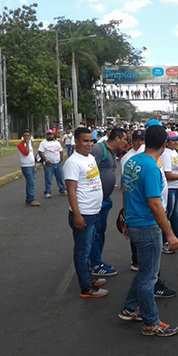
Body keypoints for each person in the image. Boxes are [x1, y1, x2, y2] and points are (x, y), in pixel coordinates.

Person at [119, 125, 178, 336]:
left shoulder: (133, 161)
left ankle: (130, 307)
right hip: (147, 226)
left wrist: (126, 218)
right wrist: (170, 234)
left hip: (135, 222)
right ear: (164, 144)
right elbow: (155, 204)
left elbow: (126, 191)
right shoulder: (152, 168)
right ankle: (151, 322)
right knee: (149, 277)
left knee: (145, 271)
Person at [64, 127, 107, 298]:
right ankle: (86, 287)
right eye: (85, 141)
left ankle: (88, 277)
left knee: (88, 249)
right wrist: (77, 215)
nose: (89, 144)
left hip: (94, 211)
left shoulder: (89, 158)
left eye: (91, 141)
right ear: (76, 142)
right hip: (83, 214)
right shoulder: (73, 162)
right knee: (82, 251)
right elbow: (71, 191)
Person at [89, 127, 128, 277]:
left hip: (104, 200)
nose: (126, 142)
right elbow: (88, 172)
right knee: (96, 233)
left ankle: (95, 261)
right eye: (124, 139)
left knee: (99, 232)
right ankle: (95, 264)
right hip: (96, 202)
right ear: (117, 139)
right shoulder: (100, 150)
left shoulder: (112, 152)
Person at [37, 130, 66, 198]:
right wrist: (45, 160)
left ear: (53, 135)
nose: (50, 136)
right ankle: (48, 192)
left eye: (51, 134)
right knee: (48, 179)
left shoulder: (57, 143)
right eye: (48, 134)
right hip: (49, 164)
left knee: (60, 178)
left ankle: (62, 190)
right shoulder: (43, 143)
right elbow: (40, 152)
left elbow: (61, 151)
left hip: (57, 163)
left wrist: (61, 159)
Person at [18, 130, 39, 206]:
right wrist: (26, 143)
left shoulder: (29, 144)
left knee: (30, 182)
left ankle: (28, 199)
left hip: (31, 165)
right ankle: (31, 200)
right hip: (26, 166)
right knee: (31, 183)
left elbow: (31, 155)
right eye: (25, 136)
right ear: (23, 137)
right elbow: (26, 153)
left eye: (28, 136)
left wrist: (34, 165)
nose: (26, 137)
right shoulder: (20, 145)